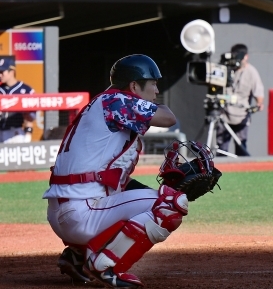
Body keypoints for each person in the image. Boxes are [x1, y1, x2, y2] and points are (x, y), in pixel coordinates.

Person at [43, 55, 193, 287]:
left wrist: (158, 191)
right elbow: (168, 118)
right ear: (134, 86)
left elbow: (116, 181)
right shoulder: (117, 101)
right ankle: (105, 264)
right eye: (152, 83)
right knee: (172, 204)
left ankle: (77, 256)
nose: (156, 90)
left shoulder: (103, 102)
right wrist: (167, 196)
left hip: (69, 210)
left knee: (157, 199)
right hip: (82, 212)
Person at [217, 44, 264, 157]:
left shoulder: (251, 72)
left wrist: (259, 104)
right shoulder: (225, 68)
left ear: (246, 57)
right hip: (224, 115)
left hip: (241, 116)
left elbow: (259, 92)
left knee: (241, 146)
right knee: (222, 147)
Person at [0, 58, 35, 144]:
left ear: (11, 72)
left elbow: (31, 116)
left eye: (2, 72)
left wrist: (28, 133)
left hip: (14, 133)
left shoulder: (25, 90)